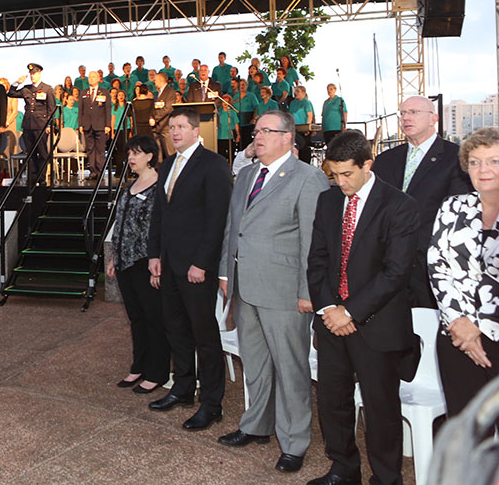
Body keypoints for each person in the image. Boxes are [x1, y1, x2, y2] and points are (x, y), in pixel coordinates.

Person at [217, 110, 329, 474]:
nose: (258, 135)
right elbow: (234, 228)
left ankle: (294, 442)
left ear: (287, 137)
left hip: (284, 292)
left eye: (267, 130)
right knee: (256, 363)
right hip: (244, 286)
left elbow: (313, 243)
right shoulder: (247, 174)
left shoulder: (308, 178)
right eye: (256, 130)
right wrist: (224, 271)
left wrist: (307, 291)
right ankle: (256, 425)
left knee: (291, 368)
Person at [306, 131, 419, 485]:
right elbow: (318, 261)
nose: (340, 182)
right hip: (331, 322)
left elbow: (396, 272)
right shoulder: (327, 202)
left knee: (380, 407)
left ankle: (387, 478)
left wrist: (350, 312)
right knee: (332, 401)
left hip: (377, 325)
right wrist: (328, 309)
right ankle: (343, 468)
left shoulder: (399, 205)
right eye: (333, 175)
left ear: (367, 165)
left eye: (347, 175)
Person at [428, 127, 499, 429]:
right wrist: (459, 322)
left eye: (494, 161)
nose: (483, 169)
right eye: (475, 161)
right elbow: (437, 264)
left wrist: (478, 324)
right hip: (456, 339)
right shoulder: (453, 207)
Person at [145, 109, 232, 431]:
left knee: (204, 336)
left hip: (197, 268)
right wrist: (154, 254)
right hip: (168, 265)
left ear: (197, 131)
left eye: (182, 126)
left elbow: (217, 220)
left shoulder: (214, 165)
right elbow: (160, 215)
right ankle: (182, 388)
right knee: (176, 330)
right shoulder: (167, 165)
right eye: (171, 127)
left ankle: (212, 404)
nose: (175, 132)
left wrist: (202, 263)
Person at [372, 95, 471, 307]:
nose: (406, 118)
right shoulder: (385, 160)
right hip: (386, 267)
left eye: (414, 112)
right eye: (403, 113)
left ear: (433, 118)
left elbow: (459, 214)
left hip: (432, 265)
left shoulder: (455, 158)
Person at [109, 135, 170, 394]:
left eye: (137, 153)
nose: (131, 158)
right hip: (125, 262)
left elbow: (159, 230)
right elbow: (121, 223)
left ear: (150, 156)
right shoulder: (130, 185)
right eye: (129, 153)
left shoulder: (160, 187)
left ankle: (157, 372)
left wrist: (158, 262)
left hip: (146, 263)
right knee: (136, 317)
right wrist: (114, 255)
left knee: (153, 317)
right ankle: (139, 366)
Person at [7, 63, 56, 188]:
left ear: (39, 73)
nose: (32, 76)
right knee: (31, 153)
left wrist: (50, 125)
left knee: (43, 153)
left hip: (41, 125)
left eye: (34, 73)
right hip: (28, 124)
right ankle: (33, 177)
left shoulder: (47, 89)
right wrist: (17, 82)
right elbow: (11, 93)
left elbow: (51, 109)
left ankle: (42, 177)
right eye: (31, 74)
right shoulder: (26, 89)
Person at [78, 69, 111, 180]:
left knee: (101, 149)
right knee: (90, 149)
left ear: (98, 79)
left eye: (93, 77)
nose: (91, 78)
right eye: (90, 77)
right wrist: (81, 124)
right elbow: (80, 110)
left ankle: (100, 171)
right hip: (87, 125)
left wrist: (108, 125)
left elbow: (108, 110)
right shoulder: (84, 93)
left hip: (101, 125)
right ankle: (93, 171)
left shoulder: (105, 92)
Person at [289, 85, 315, 164]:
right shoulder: (293, 103)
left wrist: (307, 127)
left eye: (298, 91)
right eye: (295, 91)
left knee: (304, 147)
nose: (296, 93)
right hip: (295, 128)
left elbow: (310, 115)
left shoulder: (306, 102)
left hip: (304, 128)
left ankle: (306, 164)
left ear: (303, 92)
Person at [232, 78, 259, 150]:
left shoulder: (251, 95)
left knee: (248, 140)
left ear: (247, 86)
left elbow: (256, 107)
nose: (242, 86)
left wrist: (253, 118)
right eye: (240, 85)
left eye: (244, 85)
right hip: (238, 120)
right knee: (239, 141)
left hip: (248, 120)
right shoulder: (235, 96)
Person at [216, 94, 239, 164]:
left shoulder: (232, 112)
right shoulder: (219, 113)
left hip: (230, 136)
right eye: (224, 101)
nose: (225, 103)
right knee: (221, 154)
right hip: (221, 136)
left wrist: (238, 134)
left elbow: (236, 124)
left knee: (231, 154)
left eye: (227, 102)